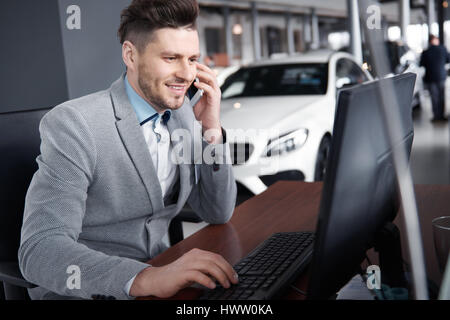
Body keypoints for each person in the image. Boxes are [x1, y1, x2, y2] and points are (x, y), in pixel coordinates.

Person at [18, 0, 238, 300]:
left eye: (192, 59)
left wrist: (212, 131)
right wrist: (145, 278)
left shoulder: (184, 113)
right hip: (88, 291)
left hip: (162, 272)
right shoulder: (75, 124)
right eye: (171, 58)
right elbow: (39, 250)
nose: (187, 74)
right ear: (130, 54)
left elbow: (218, 211)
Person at [420, 34, 450, 122]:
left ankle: (436, 117)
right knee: (441, 96)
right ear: (436, 40)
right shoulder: (443, 49)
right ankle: (441, 116)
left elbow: (421, 64)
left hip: (430, 77)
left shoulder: (426, 52)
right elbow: (448, 60)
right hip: (441, 76)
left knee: (434, 97)